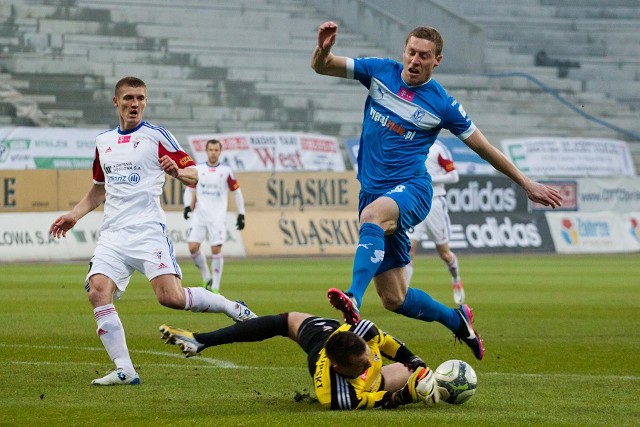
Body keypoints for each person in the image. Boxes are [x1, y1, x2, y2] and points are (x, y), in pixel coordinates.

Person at [311, 21, 563, 361]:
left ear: (437, 60)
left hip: (412, 190)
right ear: (404, 51)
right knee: (394, 298)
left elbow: (484, 148)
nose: (415, 60)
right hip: (372, 192)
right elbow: (323, 66)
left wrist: (526, 183)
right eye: (411, 52)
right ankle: (457, 320)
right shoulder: (379, 72)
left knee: (372, 218)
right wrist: (324, 49)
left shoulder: (443, 104)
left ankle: (353, 298)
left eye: (424, 56)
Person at [49, 76, 257, 386]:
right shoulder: (103, 142)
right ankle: (125, 369)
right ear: (116, 102)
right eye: (129, 98)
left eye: (141, 98)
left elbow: (194, 174)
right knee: (97, 291)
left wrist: (177, 172)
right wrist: (75, 215)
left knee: (170, 298)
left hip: (148, 231)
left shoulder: (156, 136)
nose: (135, 104)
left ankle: (230, 306)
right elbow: (98, 189)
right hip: (112, 234)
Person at [159, 313, 440, 410]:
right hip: (321, 360)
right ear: (340, 369)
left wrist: (413, 360)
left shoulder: (362, 332)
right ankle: (202, 338)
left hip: (325, 333)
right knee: (377, 382)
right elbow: (379, 402)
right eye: (363, 365)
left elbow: (390, 344)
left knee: (284, 321)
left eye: (368, 358)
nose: (369, 362)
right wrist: (403, 397)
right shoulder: (336, 395)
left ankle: (202, 339)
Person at [405, 139, 464, 305]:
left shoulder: (438, 148)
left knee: (444, 253)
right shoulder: (410, 144)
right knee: (408, 250)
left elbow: (454, 175)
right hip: (416, 202)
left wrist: (429, 178)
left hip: (435, 202)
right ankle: (403, 293)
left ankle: (456, 279)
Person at [183, 138, 246, 293]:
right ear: (206, 151)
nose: (213, 153)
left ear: (220, 151)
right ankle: (206, 276)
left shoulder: (226, 171)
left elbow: (236, 192)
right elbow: (190, 189)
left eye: (216, 150)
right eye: (210, 150)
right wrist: (186, 206)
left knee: (216, 250)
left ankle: (216, 287)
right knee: (192, 247)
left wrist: (241, 213)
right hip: (200, 215)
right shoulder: (198, 169)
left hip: (217, 217)